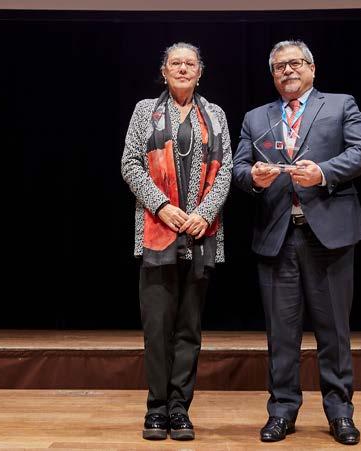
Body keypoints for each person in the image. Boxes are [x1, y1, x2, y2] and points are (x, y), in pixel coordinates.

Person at [233, 40, 361, 445]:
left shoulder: (341, 105)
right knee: (281, 334)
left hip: (329, 236)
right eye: (279, 67)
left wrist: (324, 172)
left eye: (295, 63)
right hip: (277, 236)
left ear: (312, 68)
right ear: (272, 75)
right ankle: (281, 411)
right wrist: (253, 177)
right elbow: (239, 167)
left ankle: (340, 413)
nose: (288, 71)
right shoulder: (256, 117)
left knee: (334, 332)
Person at [121, 42, 232, 441]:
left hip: (200, 234)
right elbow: (130, 164)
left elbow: (226, 170)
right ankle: (156, 408)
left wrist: (204, 213)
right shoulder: (144, 111)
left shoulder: (215, 114)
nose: (183, 68)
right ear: (164, 71)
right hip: (158, 233)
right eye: (175, 63)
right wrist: (163, 206)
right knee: (157, 328)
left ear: (200, 72)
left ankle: (179, 408)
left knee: (189, 328)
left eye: (190, 63)